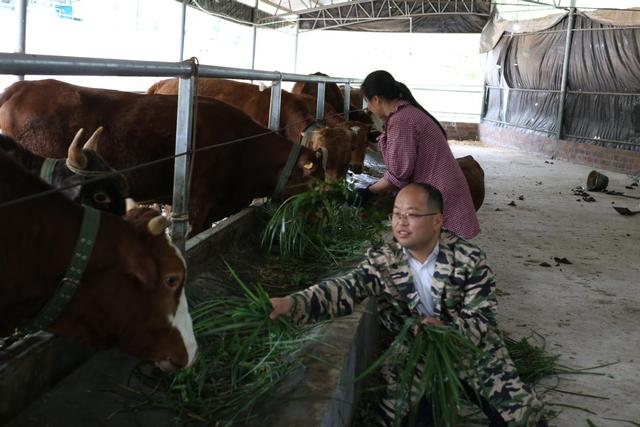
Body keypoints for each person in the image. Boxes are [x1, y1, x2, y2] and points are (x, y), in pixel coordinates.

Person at [270, 183, 545, 427]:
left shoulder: (468, 259)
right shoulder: (384, 260)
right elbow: (345, 288)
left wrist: (445, 329)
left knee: (523, 418)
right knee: (402, 418)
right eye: (396, 213)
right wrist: (292, 304)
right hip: (416, 355)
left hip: (472, 351)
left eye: (412, 215)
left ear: (438, 221)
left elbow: (482, 319)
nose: (401, 222)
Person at [356, 70, 480, 240]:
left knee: (434, 254)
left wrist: (367, 191)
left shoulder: (401, 121)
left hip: (438, 195)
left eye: (367, 102)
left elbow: (398, 175)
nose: (368, 108)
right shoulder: (406, 114)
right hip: (435, 191)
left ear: (376, 99)